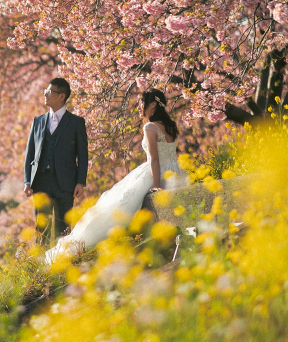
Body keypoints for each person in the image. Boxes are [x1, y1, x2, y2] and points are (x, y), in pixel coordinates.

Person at [45, 88, 186, 261]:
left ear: (153, 105)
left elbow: (155, 159)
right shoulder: (171, 127)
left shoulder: (150, 127)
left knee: (119, 207)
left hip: (155, 173)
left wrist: (156, 186)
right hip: (175, 172)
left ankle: (84, 242)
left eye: (143, 102)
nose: (140, 106)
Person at [23, 77, 89, 241]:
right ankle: (41, 258)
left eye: (49, 91)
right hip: (40, 181)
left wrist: (80, 182)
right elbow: (30, 153)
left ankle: (62, 257)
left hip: (65, 183)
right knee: (41, 229)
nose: (45, 94)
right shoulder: (37, 121)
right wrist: (27, 181)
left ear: (61, 96)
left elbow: (83, 155)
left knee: (63, 229)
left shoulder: (76, 122)